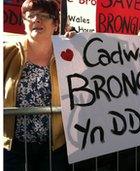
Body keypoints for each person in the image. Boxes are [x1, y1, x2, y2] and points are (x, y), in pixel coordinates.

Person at [4, 0, 76, 170]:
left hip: (54, 149)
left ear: (56, 24)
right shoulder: (6, 52)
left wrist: (80, 43)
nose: (36, 20)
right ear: (24, 23)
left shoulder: (69, 53)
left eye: (43, 15)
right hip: (13, 149)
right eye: (31, 16)